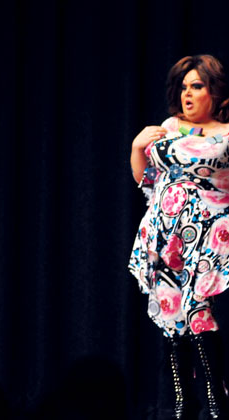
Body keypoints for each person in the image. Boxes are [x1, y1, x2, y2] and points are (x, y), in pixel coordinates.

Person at [129, 54, 229, 419]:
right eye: (184, 87)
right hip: (165, 234)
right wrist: (138, 146)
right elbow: (146, 182)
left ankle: (218, 402)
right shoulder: (169, 126)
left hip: (209, 232)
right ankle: (184, 404)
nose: (188, 94)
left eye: (197, 86)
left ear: (216, 92)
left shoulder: (227, 133)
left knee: (199, 310)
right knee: (174, 315)